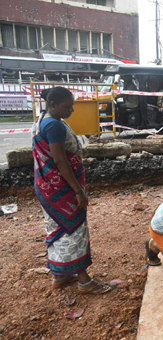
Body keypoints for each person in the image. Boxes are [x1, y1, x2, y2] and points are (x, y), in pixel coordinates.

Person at [31, 87, 111, 294]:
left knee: (56, 229)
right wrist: (78, 191)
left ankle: (59, 275)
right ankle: (84, 281)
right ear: (53, 105)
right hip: (64, 189)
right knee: (74, 230)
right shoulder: (54, 126)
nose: (72, 110)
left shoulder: (42, 120)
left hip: (48, 187)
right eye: (67, 106)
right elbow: (59, 160)